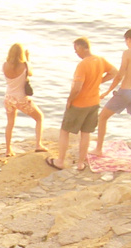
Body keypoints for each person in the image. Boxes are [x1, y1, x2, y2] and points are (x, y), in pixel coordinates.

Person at [47, 38, 115, 171]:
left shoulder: (83, 65)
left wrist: (69, 100)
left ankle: (60, 161)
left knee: (65, 130)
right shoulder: (100, 60)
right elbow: (114, 72)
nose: (76, 52)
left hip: (80, 103)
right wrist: (99, 81)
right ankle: (80, 163)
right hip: (94, 101)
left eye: (76, 49)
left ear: (83, 47)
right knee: (85, 133)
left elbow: (77, 88)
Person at [94, 29, 131, 161]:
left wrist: (107, 92)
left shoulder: (128, 52)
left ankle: (98, 149)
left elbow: (120, 75)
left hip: (125, 91)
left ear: (128, 40)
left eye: (126, 41)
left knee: (102, 117)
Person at [1, 43, 45, 156]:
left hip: (9, 97)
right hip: (21, 98)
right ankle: (38, 144)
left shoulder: (5, 65)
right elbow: (30, 73)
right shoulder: (25, 66)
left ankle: (8, 150)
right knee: (39, 117)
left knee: (10, 123)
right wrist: (28, 58)